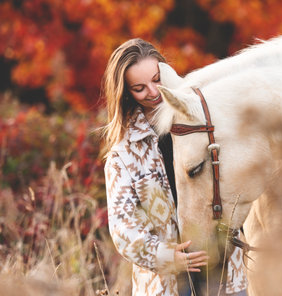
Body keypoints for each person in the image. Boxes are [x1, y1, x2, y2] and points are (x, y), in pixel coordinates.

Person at [101, 38, 247, 295]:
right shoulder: (123, 155)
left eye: (157, 79)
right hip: (168, 282)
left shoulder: (203, 124)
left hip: (225, 269)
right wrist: (165, 257)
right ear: (125, 92)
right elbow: (123, 227)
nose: (154, 92)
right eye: (139, 88)